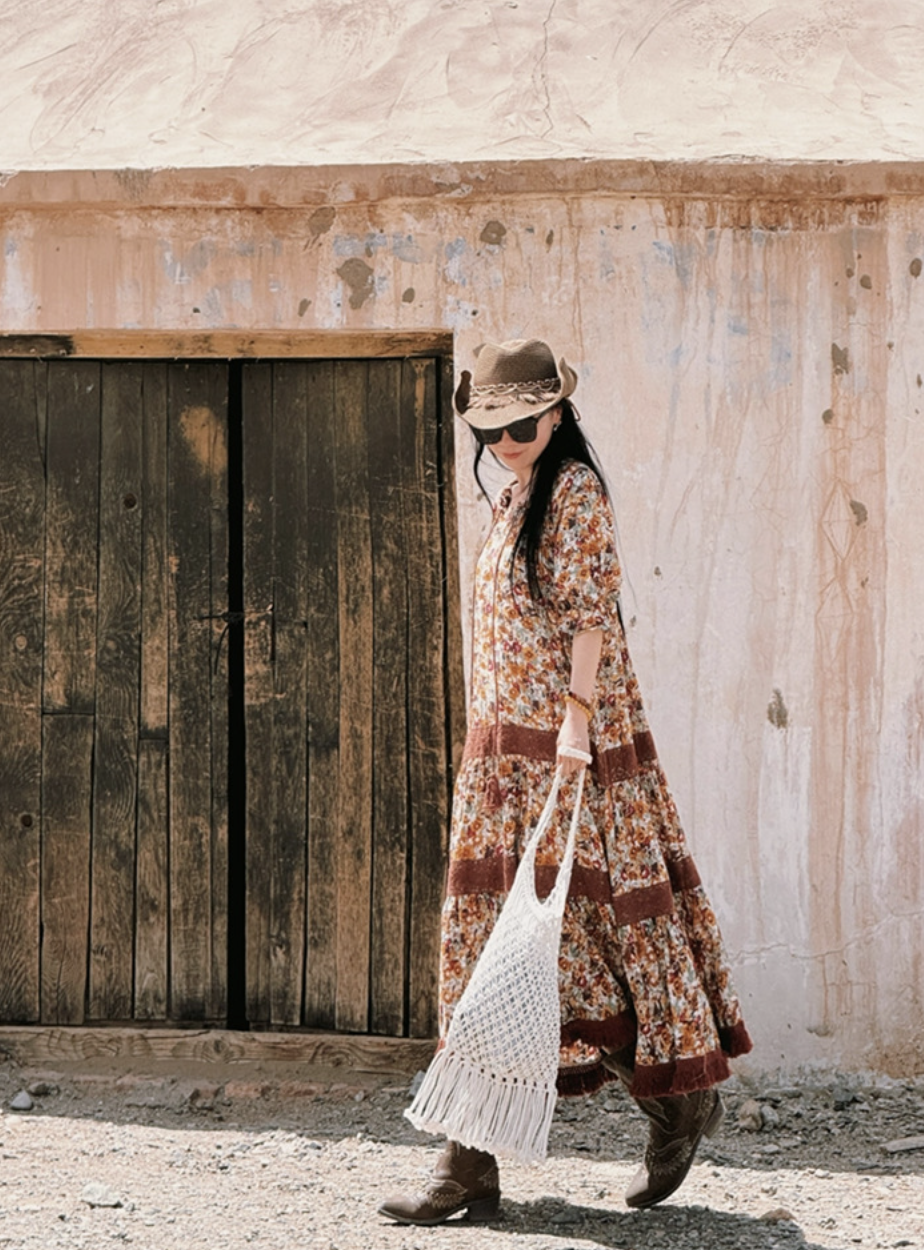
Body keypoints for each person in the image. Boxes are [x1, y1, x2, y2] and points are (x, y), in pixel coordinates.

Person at [379, 338, 752, 1225]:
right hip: (502, 759)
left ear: (556, 414)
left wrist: (576, 729)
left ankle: (675, 1101)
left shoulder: (574, 490)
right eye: (492, 429)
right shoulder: (515, 493)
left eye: (521, 425)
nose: (506, 441)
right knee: (490, 949)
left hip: (564, 754)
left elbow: (590, 618)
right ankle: (468, 1165)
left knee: (583, 941)